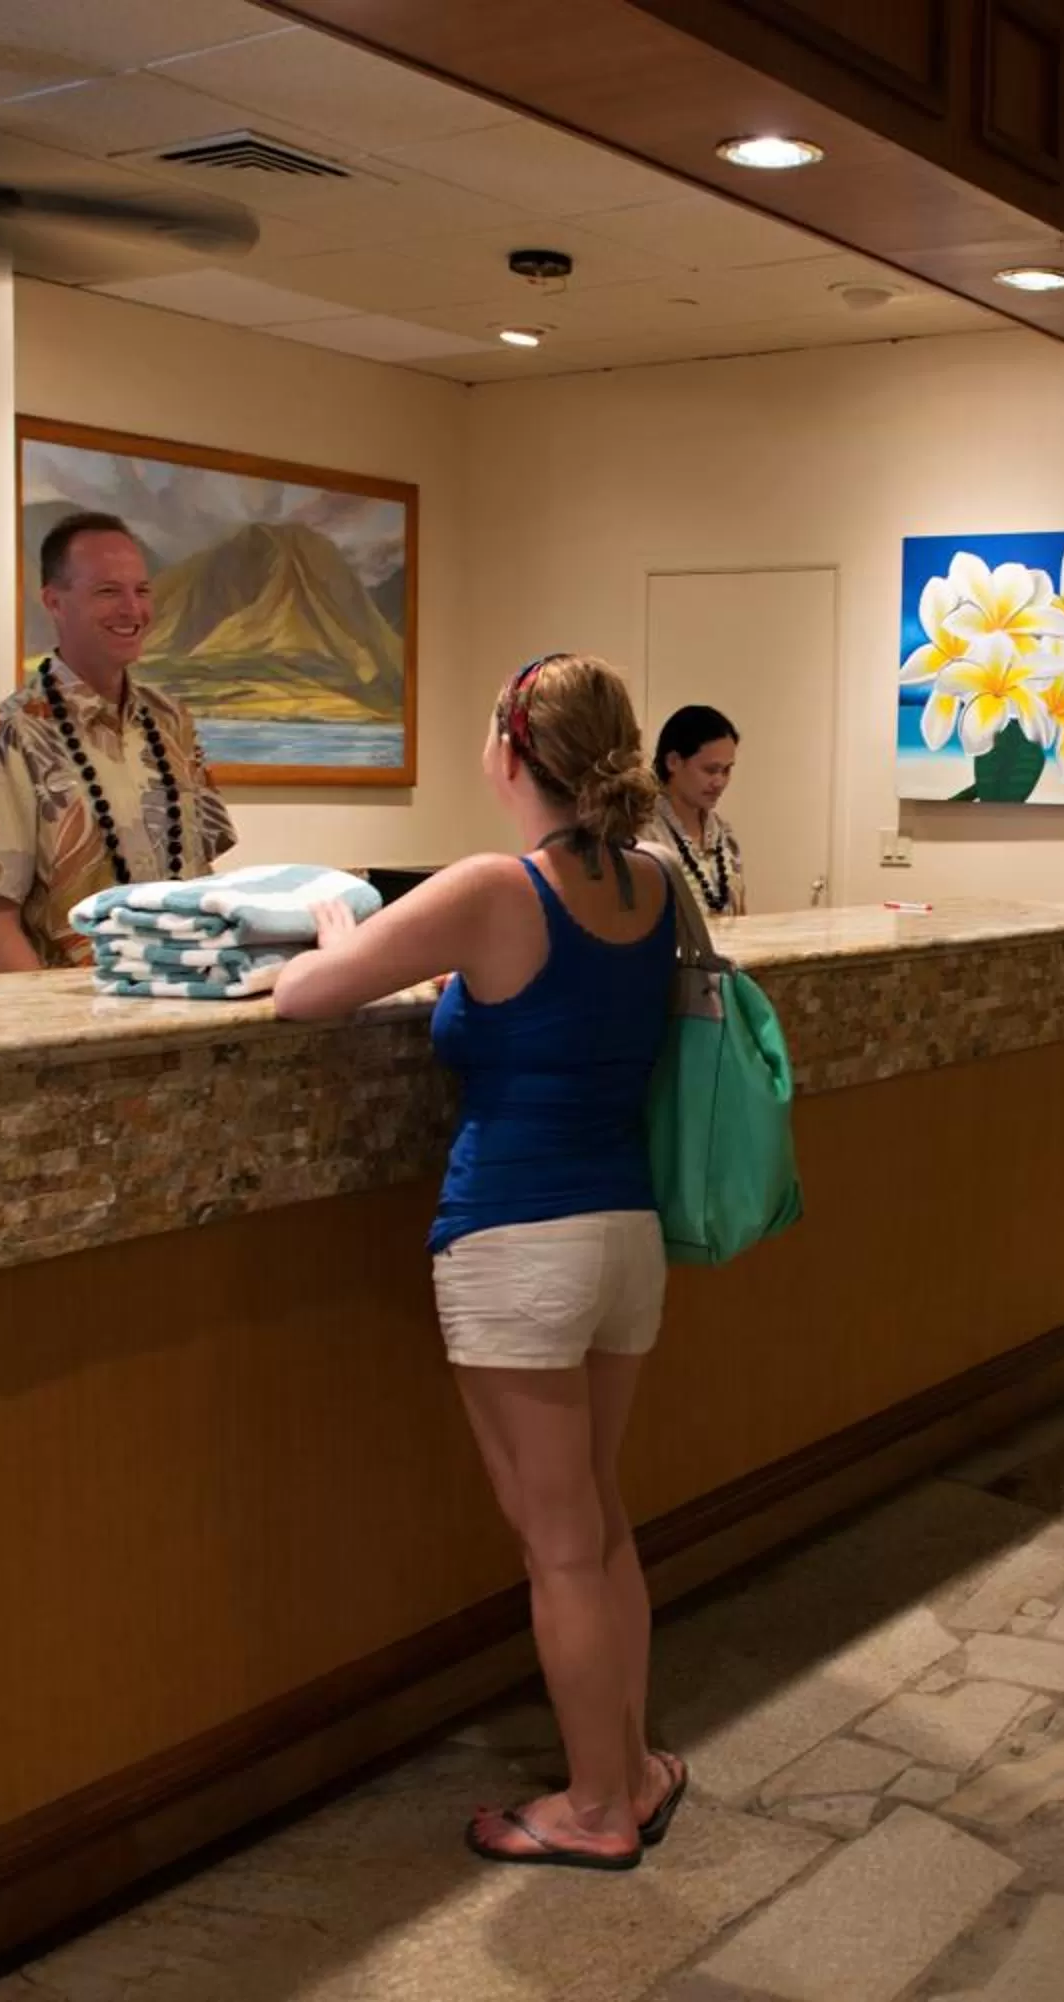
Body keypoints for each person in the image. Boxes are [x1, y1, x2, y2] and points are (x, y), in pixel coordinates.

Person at [272, 653, 688, 1871]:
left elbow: (305, 996)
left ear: (510, 753)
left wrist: (342, 931)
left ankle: (597, 1808)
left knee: (557, 1544)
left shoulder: (489, 889)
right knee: (604, 1522)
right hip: (625, 1238)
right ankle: (639, 1764)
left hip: (517, 1244)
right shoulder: (657, 887)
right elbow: (567, 1005)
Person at [0, 512, 236, 970]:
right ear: (54, 602)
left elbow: (201, 879)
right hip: (79, 1019)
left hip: (188, 1003)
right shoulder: (13, 732)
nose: (132, 610)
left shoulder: (172, 721)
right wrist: (54, 1030)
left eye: (141, 590)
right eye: (107, 591)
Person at [651, 704, 746, 918]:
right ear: (673, 762)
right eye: (710, 770)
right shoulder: (646, 837)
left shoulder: (724, 835)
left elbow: (741, 916)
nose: (719, 782)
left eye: (727, 770)